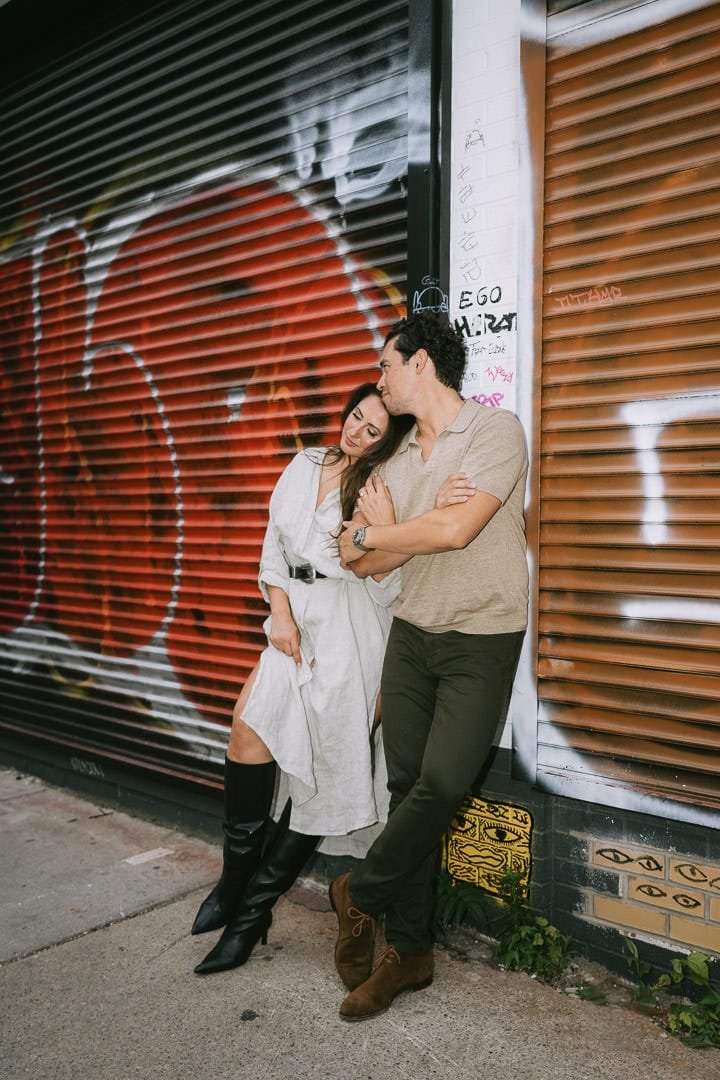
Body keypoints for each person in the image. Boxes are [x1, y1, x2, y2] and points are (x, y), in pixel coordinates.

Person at [190, 380, 466, 976]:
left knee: (326, 778)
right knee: (246, 734)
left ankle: (247, 918)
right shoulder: (305, 461)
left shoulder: (378, 489)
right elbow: (273, 549)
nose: (358, 432)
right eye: (357, 417)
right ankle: (233, 885)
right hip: (292, 625)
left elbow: (387, 578)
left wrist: (395, 523)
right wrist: (279, 613)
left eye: (373, 430)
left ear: (386, 441)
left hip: (350, 636)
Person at [332, 311, 528, 1021]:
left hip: (482, 636)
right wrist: (394, 533)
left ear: (422, 363)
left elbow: (458, 528)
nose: (378, 380)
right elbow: (357, 557)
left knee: (444, 781)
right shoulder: (398, 461)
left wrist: (390, 531)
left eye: (386, 365)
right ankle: (408, 955)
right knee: (408, 785)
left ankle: (360, 893)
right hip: (412, 635)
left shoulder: (496, 431)